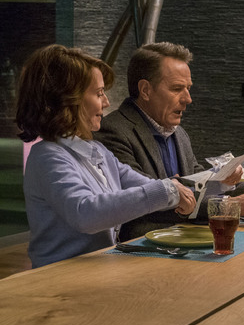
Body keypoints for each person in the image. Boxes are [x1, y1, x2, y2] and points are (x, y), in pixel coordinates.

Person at [16, 44, 196, 268]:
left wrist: (176, 193)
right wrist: (168, 190)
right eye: (99, 93)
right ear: (68, 99)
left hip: (98, 269)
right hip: (57, 277)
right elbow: (85, 213)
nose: (107, 102)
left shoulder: (98, 151)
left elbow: (147, 186)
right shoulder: (47, 156)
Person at [94, 42, 244, 241]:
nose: (188, 99)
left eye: (188, 88)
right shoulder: (113, 131)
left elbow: (198, 187)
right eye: (177, 89)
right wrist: (232, 205)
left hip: (187, 243)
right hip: (143, 248)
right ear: (145, 90)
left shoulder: (179, 133)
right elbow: (145, 201)